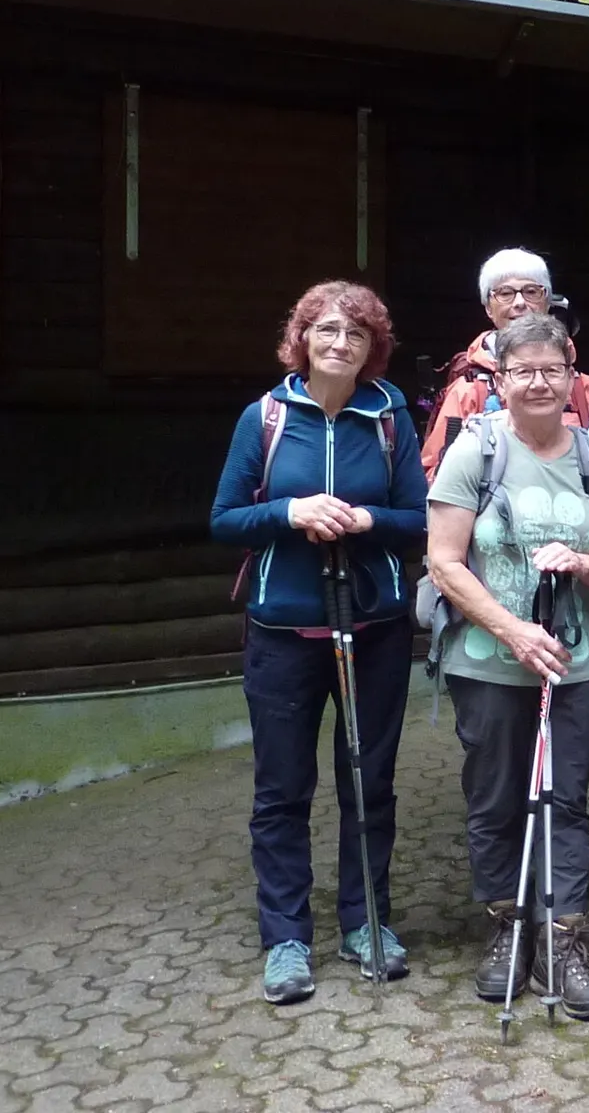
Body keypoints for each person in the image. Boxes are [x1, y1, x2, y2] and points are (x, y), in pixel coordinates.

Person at [211, 281, 427, 1005]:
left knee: (369, 781)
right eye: (327, 330)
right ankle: (287, 940)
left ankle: (367, 923)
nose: (340, 343)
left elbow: (418, 520)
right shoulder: (265, 417)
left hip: (375, 629)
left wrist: (367, 520)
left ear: (373, 348)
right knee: (282, 790)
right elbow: (224, 520)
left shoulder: (389, 417)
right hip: (282, 631)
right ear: (301, 338)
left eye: (356, 334)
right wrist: (290, 510)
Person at [426, 312, 589, 1022]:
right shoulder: (473, 451)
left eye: (551, 369)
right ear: (501, 379)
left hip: (579, 664)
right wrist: (513, 630)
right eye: (523, 371)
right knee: (495, 799)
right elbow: (444, 561)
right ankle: (506, 930)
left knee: (566, 799)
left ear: (569, 374)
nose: (538, 382)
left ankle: (564, 938)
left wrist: (582, 563)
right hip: (488, 662)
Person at [420, 247, 589, 480]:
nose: (519, 302)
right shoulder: (469, 389)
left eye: (531, 291)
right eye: (505, 293)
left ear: (547, 302)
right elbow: (434, 476)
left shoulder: (582, 389)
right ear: (488, 307)